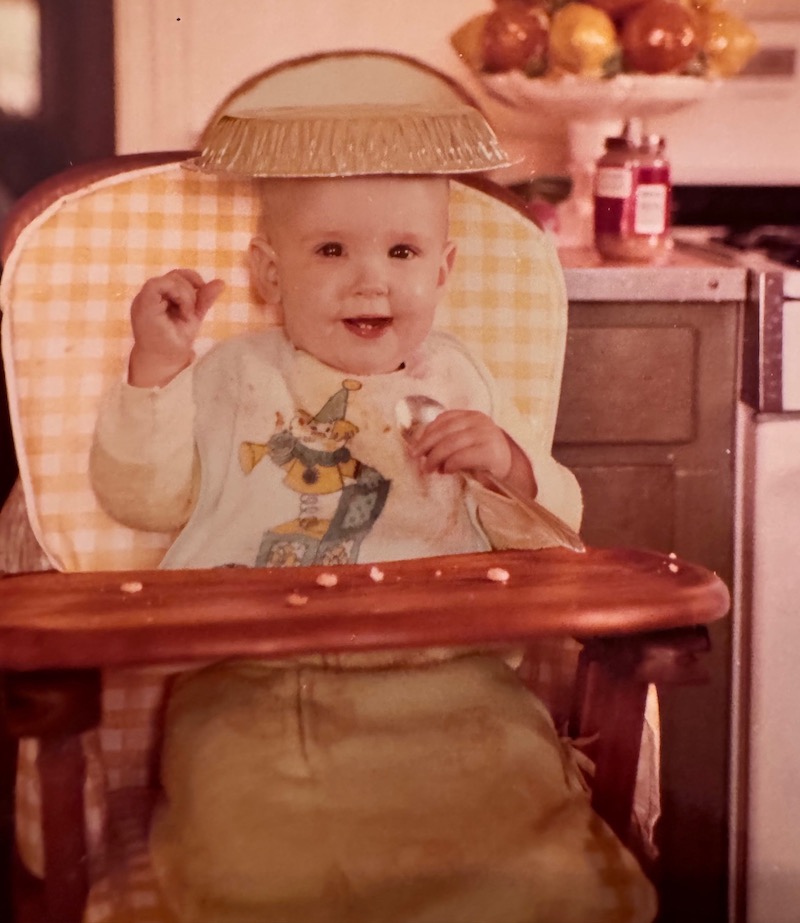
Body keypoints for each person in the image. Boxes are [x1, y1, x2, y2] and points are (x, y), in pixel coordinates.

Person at [90, 124, 656, 923]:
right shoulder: (235, 378)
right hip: (251, 681)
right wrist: (155, 367)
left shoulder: (459, 380)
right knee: (254, 851)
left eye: (401, 253)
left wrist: (503, 463)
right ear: (268, 273)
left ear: (444, 268)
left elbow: (551, 535)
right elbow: (140, 497)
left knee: (528, 841)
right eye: (330, 252)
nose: (369, 283)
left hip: (447, 677)